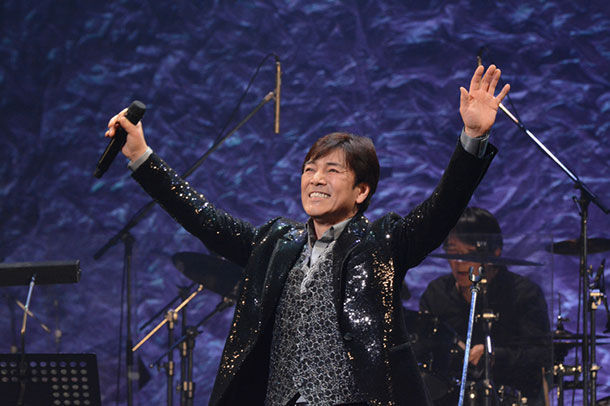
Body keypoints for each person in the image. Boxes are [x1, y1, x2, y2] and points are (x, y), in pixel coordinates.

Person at [106, 64, 509, 405]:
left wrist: (473, 138)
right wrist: (142, 156)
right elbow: (205, 220)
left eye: (332, 171)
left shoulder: (382, 244)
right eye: (309, 169)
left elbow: (442, 207)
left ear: (361, 191)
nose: (316, 179)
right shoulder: (275, 243)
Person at [419, 207, 552, 405]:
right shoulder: (436, 293)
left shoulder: (523, 293)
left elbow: (541, 355)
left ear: (495, 252)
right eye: (453, 253)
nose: (458, 262)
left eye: (469, 254)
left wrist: (494, 355)